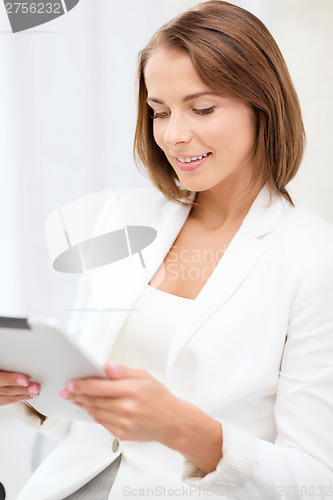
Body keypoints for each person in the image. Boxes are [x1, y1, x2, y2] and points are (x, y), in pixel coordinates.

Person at [1, 1, 333, 498]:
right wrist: (36, 389)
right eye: (159, 112)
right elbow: (92, 395)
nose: (174, 135)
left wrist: (184, 429)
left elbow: (315, 480)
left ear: (262, 104)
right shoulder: (126, 218)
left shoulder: (314, 257)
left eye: (202, 108)